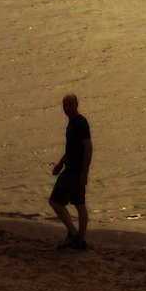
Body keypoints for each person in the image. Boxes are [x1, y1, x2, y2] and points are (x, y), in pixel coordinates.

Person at [50, 93, 92, 251]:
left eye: (70, 104)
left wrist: (84, 172)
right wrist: (60, 163)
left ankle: (74, 234)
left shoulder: (81, 123)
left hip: (75, 171)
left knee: (55, 201)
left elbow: (88, 148)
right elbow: (71, 149)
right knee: (79, 203)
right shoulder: (72, 123)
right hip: (71, 168)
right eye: (64, 105)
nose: (67, 108)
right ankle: (80, 239)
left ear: (77, 104)